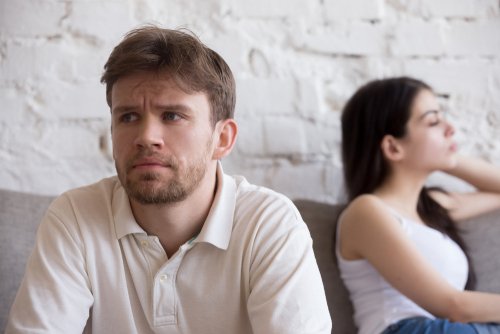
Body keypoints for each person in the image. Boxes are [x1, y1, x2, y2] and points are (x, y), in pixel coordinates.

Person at [6, 26, 331, 334]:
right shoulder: (76, 216)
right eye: (128, 117)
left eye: (172, 116)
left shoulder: (269, 224)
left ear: (223, 138)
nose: (146, 137)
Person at [337, 76, 500, 334]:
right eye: (434, 122)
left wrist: (450, 157)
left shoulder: (433, 207)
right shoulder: (366, 211)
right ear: (392, 147)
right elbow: (455, 306)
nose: (450, 128)